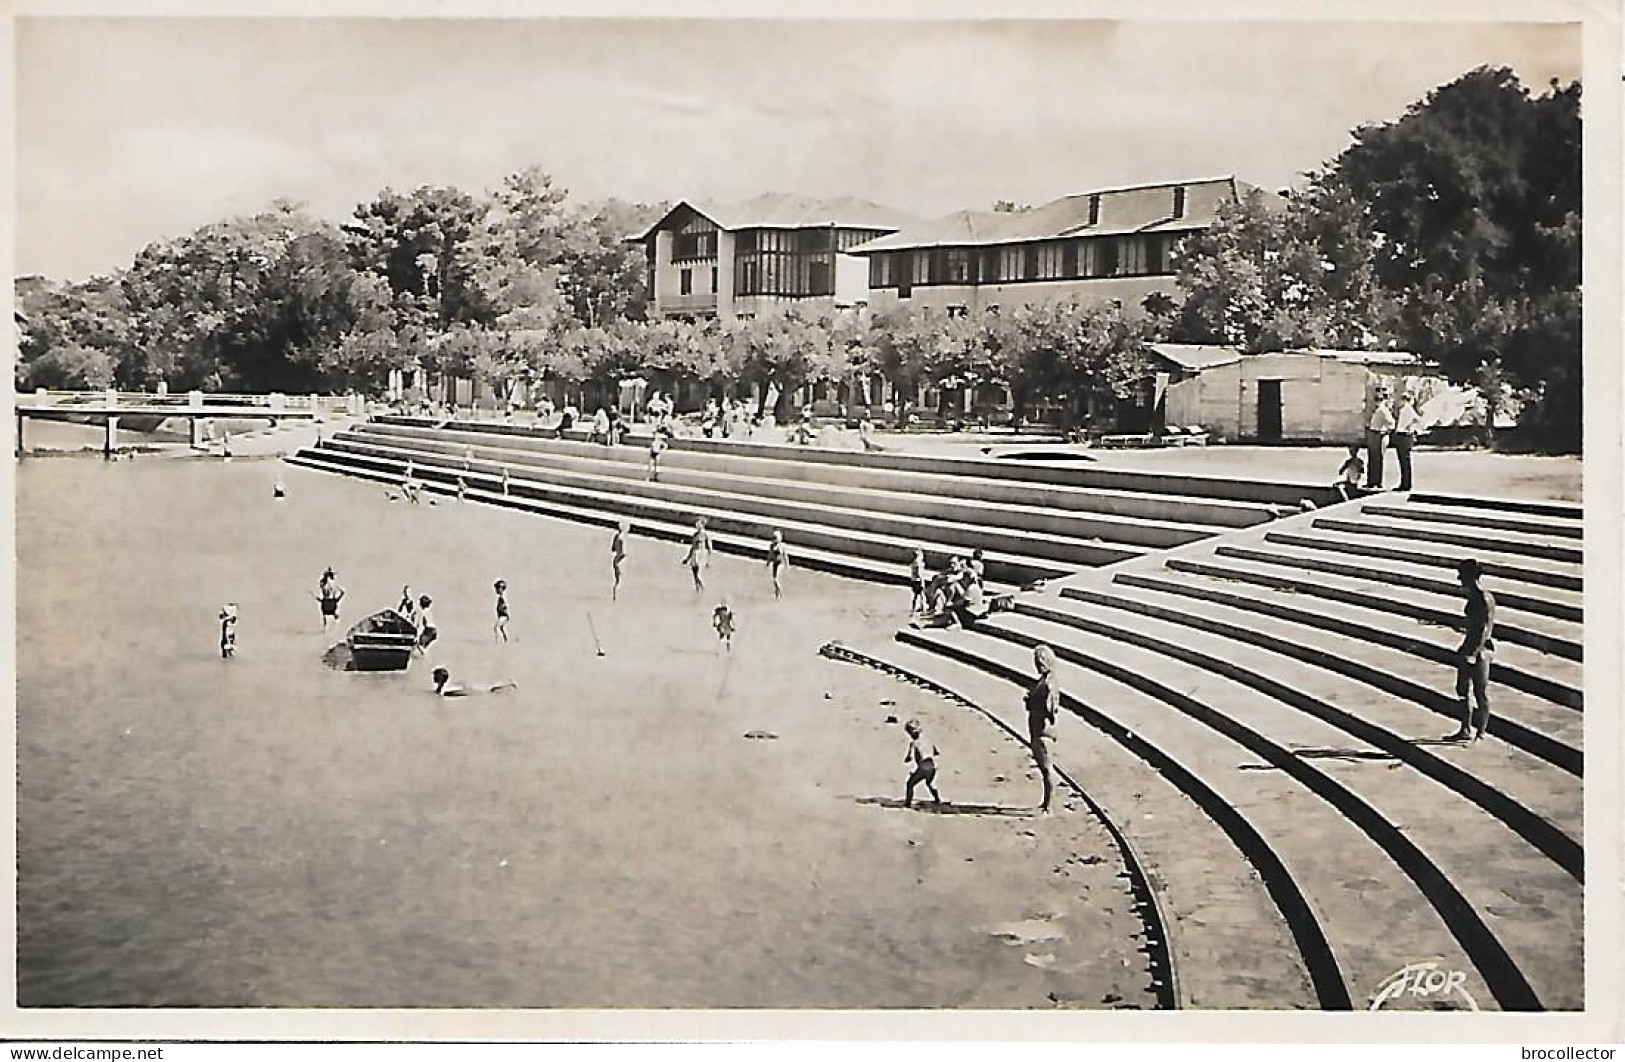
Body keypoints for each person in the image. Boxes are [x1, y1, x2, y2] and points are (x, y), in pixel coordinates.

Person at [1449, 559, 1497, 743]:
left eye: (1462, 575)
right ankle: (1465, 728)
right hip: (1468, 646)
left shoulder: (1485, 599)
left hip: (1480, 651)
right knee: (1462, 690)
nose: (1459, 579)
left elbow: (1484, 629)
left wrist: (1473, 653)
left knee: (1480, 692)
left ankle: (1481, 733)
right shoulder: (1473, 597)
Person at [1026, 644, 1061, 813]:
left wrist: (1031, 703)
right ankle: (1047, 803)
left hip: (1042, 730)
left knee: (1047, 769)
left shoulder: (1047, 684)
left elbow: (1049, 710)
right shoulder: (1047, 681)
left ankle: (1049, 805)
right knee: (1044, 768)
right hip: (1040, 729)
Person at [902, 719, 943, 808]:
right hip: (932, 766)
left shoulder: (913, 743)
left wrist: (909, 759)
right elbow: (936, 752)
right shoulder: (929, 740)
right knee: (929, 783)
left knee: (910, 784)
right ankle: (937, 799)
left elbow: (908, 758)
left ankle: (907, 804)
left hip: (923, 767)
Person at [1365, 386, 1396, 489]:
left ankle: (1377, 482)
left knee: (1378, 459)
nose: (1378, 402)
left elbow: (1392, 423)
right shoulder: (1377, 410)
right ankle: (1371, 481)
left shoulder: (1384, 410)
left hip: (1379, 435)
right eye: (1376, 399)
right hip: (1373, 433)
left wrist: (1385, 431)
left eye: (1380, 400)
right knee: (1372, 459)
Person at [1392, 390, 1422, 491]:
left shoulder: (1408, 409)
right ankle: (1405, 483)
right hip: (1402, 435)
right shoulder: (1405, 409)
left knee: (1404, 461)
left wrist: (1410, 427)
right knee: (1403, 461)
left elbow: (1418, 419)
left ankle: (1406, 484)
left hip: (1404, 436)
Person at [431, 667, 516, 697]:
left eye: (435, 675)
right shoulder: (443, 690)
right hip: (473, 689)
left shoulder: (445, 692)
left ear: (440, 677)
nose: (433, 677)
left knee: (490, 691)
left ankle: (508, 685)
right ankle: (508, 685)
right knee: (490, 690)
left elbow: (465, 693)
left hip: (475, 690)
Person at [683, 517, 712, 593]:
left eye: (699, 523)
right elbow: (692, 547)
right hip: (694, 555)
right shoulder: (695, 534)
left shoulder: (706, 534)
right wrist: (687, 558)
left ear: (702, 524)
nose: (697, 525)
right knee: (694, 576)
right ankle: (698, 591)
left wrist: (708, 561)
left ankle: (704, 590)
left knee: (698, 575)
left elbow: (709, 548)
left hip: (700, 554)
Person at [909, 549, 929, 614]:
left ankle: (912, 609)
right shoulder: (919, 563)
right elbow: (919, 573)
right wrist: (922, 582)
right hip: (919, 581)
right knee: (922, 596)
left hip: (914, 581)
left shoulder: (913, 563)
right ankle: (924, 610)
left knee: (915, 596)